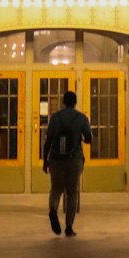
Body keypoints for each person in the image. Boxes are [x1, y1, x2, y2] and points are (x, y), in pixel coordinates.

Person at [42, 89, 92, 238]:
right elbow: (89, 139)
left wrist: (45, 161)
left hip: (56, 159)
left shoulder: (55, 118)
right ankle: (69, 227)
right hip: (74, 159)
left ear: (63, 102)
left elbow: (48, 141)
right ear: (75, 102)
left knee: (56, 189)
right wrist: (81, 138)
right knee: (72, 192)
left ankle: (53, 209)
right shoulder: (81, 118)